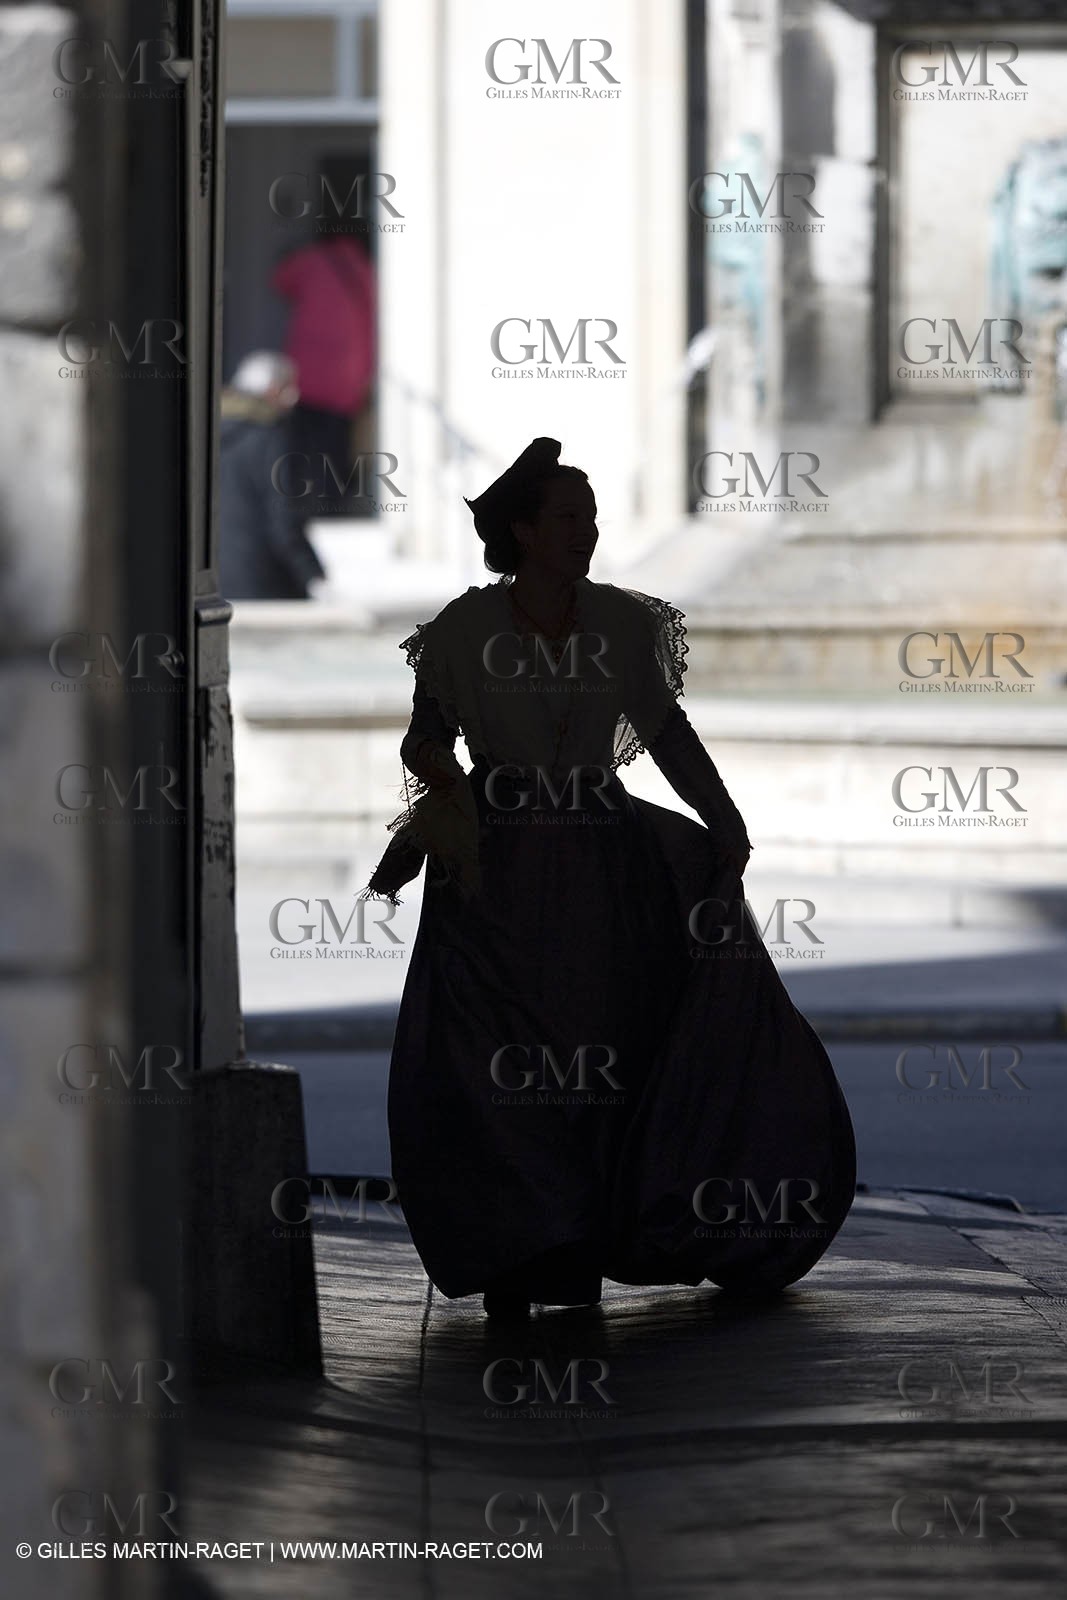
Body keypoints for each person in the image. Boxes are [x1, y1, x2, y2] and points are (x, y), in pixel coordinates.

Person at [366, 438, 855, 1318]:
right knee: (490, 1070)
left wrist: (725, 819)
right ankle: (510, 1255)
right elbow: (423, 732)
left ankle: (575, 1250)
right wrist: (436, 772)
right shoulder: (462, 631)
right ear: (521, 531)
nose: (586, 533)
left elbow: (665, 733)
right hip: (492, 875)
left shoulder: (625, 626)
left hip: (603, 867)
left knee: (598, 1059)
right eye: (568, 519)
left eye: (591, 518)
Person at [272, 231, 376, 516]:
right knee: (336, 443)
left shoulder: (309, 261)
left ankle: (297, 501)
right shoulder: (365, 270)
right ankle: (331, 504)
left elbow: (280, 281)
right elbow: (373, 325)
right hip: (347, 376)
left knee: (301, 441)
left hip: (306, 373)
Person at [218, 351, 326, 601]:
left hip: (218, 582)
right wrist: (312, 575)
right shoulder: (270, 438)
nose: (294, 397)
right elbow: (283, 518)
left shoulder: (210, 434)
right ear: (273, 390)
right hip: (266, 579)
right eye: (288, 387)